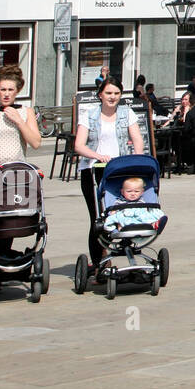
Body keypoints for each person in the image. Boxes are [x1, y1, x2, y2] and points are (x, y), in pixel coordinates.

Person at [74, 77, 145, 266]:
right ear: (100, 95)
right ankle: (99, 262)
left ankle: (125, 253)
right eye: (108, 93)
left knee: (122, 213)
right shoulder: (90, 115)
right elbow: (79, 145)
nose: (112, 97)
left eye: (116, 93)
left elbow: (137, 138)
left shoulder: (126, 113)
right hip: (94, 171)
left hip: (119, 169)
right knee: (97, 218)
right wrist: (97, 155)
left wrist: (137, 159)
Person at [100, 176, 166, 236]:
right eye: (129, 191)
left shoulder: (142, 201)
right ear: (122, 192)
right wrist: (113, 213)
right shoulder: (120, 201)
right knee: (118, 217)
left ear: (142, 192)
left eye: (136, 191)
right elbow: (114, 211)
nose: (133, 194)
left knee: (150, 214)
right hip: (126, 218)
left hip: (141, 218)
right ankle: (121, 229)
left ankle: (154, 225)